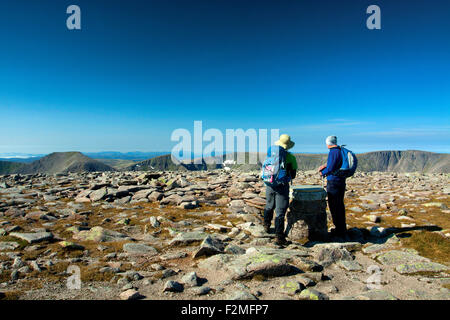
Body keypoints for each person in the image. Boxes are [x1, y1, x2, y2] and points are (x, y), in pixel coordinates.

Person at [263, 134, 298, 246]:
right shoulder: (291, 157)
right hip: (282, 186)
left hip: (269, 184)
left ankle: (266, 225)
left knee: (269, 205)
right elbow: (293, 175)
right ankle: (279, 236)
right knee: (280, 211)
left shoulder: (271, 155)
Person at [318, 135, 347, 238]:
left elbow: (331, 167)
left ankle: (339, 230)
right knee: (339, 204)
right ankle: (342, 228)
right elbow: (333, 164)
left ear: (328, 143)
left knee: (334, 205)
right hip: (341, 180)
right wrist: (326, 166)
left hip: (334, 181)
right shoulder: (339, 150)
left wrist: (323, 172)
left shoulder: (333, 152)